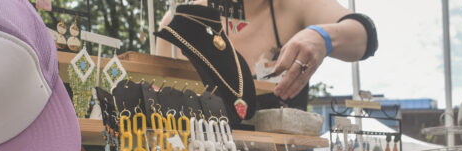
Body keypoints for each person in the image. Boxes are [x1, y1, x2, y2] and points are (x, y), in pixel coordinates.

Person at [156, 0, 377, 110]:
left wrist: (323, 37)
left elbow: (364, 35)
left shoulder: (292, 5)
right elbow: (158, 119)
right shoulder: (176, 23)